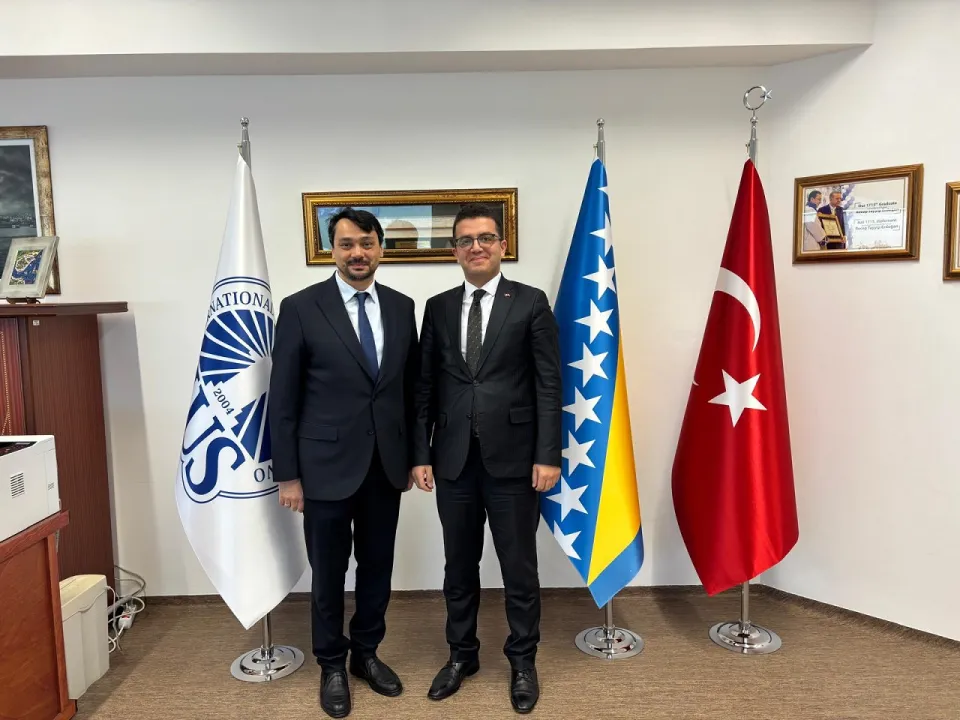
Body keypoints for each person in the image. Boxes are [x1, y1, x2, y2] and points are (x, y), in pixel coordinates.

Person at [410, 202, 562, 714]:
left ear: (502, 245)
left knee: (519, 567)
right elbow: (424, 386)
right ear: (454, 250)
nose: (476, 246)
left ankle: (523, 660)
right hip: (453, 461)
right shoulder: (437, 307)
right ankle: (462, 655)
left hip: (515, 462)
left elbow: (548, 384)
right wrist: (420, 452)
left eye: (485, 238)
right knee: (458, 565)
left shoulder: (531, 302)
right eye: (465, 240)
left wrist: (547, 454)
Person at [268, 208, 419, 719]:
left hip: (385, 466)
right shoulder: (300, 308)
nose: (358, 253)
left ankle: (366, 653)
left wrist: (414, 456)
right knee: (329, 572)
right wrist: (288, 475)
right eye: (347, 244)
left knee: (377, 567)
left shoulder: (401, 307)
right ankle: (331, 663)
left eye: (367, 243)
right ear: (331, 250)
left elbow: (408, 390)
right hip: (323, 467)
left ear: (380, 248)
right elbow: (283, 399)